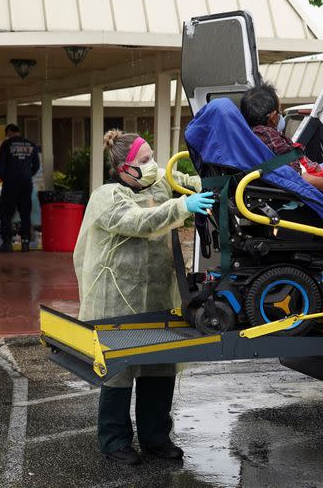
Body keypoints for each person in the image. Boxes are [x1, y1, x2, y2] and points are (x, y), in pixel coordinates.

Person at [74, 129, 215, 465]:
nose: (154, 165)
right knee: (119, 371)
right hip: (115, 299)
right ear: (124, 168)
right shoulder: (107, 197)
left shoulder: (159, 184)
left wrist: (206, 184)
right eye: (146, 160)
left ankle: (156, 440)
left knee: (158, 367)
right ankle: (114, 442)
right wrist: (182, 206)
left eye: (152, 156)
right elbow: (140, 221)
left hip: (157, 296)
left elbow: (182, 179)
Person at [240, 84, 323, 195]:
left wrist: (320, 168)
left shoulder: (251, 140)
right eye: (280, 112)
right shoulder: (271, 140)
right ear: (272, 117)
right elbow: (304, 180)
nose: (281, 116)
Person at [0, 123, 39, 252]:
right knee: (25, 212)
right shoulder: (31, 145)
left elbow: (1, 165)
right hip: (26, 183)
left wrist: (5, 178)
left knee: (7, 213)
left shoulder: (6, 144)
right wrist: (27, 175)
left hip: (10, 182)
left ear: (9, 132)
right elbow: (36, 166)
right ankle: (25, 242)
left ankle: (7, 243)